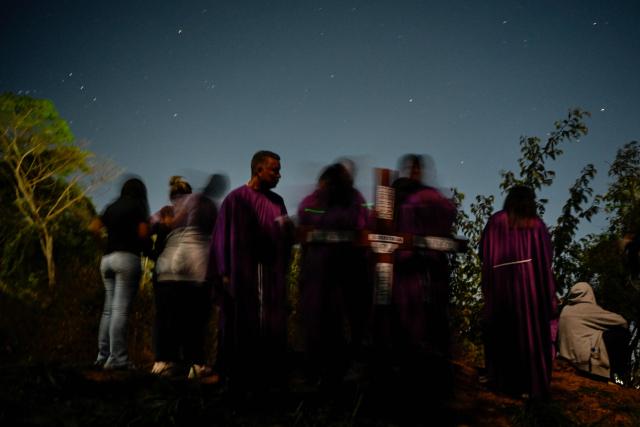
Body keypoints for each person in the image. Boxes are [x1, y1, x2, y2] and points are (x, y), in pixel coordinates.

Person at [209, 150, 293, 390]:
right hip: (242, 277)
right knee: (240, 323)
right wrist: (224, 273)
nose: (279, 175)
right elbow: (221, 238)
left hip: (270, 278)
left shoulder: (278, 202)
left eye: (279, 170)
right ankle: (237, 378)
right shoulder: (235, 199)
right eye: (274, 169)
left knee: (270, 324)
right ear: (258, 170)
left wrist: (287, 235)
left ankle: (268, 377)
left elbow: (284, 239)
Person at [480, 185, 556, 399]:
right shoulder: (537, 226)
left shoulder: (496, 221)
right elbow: (545, 261)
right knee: (529, 334)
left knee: (503, 333)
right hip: (530, 292)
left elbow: (484, 253)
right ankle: (529, 386)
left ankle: (504, 382)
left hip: (501, 289)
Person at [297, 163, 370, 385]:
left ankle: (336, 370)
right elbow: (306, 220)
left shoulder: (352, 200)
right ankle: (321, 371)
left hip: (345, 271)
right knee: (322, 321)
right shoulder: (318, 201)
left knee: (342, 321)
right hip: (322, 272)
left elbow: (362, 225)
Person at [391, 154, 457, 382]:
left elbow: (448, 212)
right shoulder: (395, 194)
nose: (413, 173)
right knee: (402, 316)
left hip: (429, 268)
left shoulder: (430, 196)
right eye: (409, 169)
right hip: (402, 269)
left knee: (429, 318)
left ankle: (429, 373)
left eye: (417, 169)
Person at [150, 176, 218, 379]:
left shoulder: (166, 212)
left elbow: (145, 228)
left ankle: (163, 363)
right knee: (195, 319)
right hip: (197, 269)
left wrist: (152, 252)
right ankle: (195, 364)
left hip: (167, 269)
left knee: (166, 318)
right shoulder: (203, 205)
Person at [91, 177, 150, 370]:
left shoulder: (111, 206)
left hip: (107, 259)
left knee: (108, 310)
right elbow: (143, 234)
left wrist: (104, 244)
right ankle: (118, 358)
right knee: (119, 310)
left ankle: (103, 356)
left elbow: (93, 227)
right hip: (127, 258)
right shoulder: (138, 206)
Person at [558, 282, 630, 383]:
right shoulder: (587, 309)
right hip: (585, 361)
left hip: (568, 357)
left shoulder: (565, 310)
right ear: (590, 293)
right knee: (620, 333)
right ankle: (620, 372)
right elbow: (622, 322)